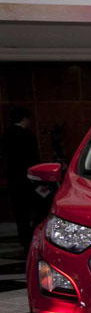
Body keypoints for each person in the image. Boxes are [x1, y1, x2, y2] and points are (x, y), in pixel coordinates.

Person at [2, 107, 41, 251]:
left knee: (19, 211)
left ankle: (24, 237)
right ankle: (33, 234)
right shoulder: (28, 136)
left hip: (13, 179)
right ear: (25, 118)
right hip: (29, 179)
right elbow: (34, 159)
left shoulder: (6, 135)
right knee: (40, 206)